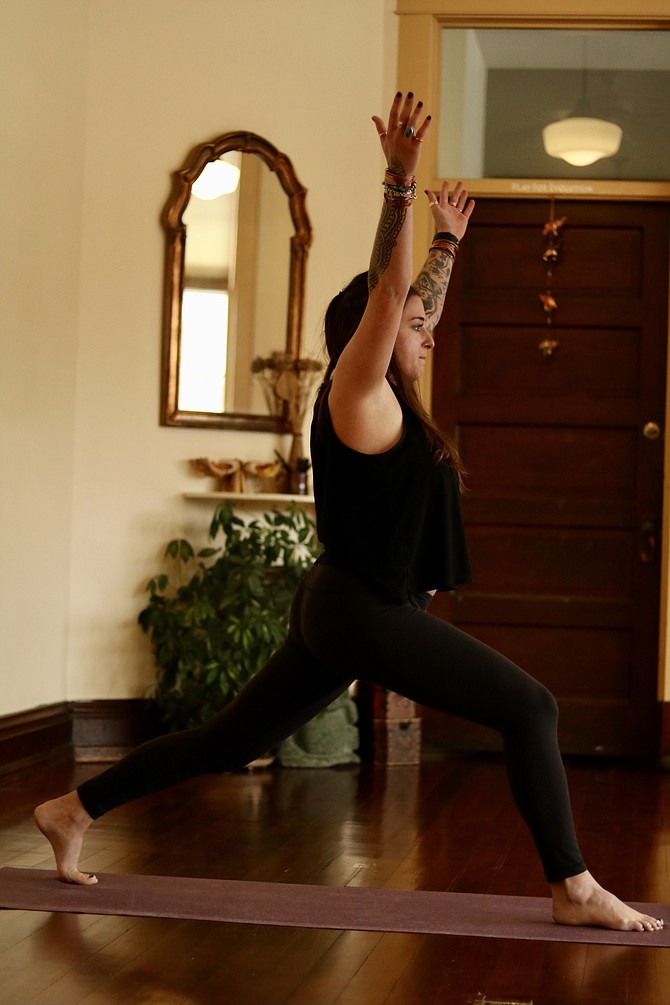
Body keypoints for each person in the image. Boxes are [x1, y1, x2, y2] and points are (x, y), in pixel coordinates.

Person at [34, 92, 663, 933]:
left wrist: (448, 241)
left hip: (342, 604)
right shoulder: (355, 393)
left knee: (226, 740)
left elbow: (415, 295)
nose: (429, 326)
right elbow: (392, 290)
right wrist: (398, 186)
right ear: (371, 330)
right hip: (358, 607)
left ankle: (72, 809)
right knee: (532, 707)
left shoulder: (394, 396)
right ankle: (573, 883)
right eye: (414, 321)